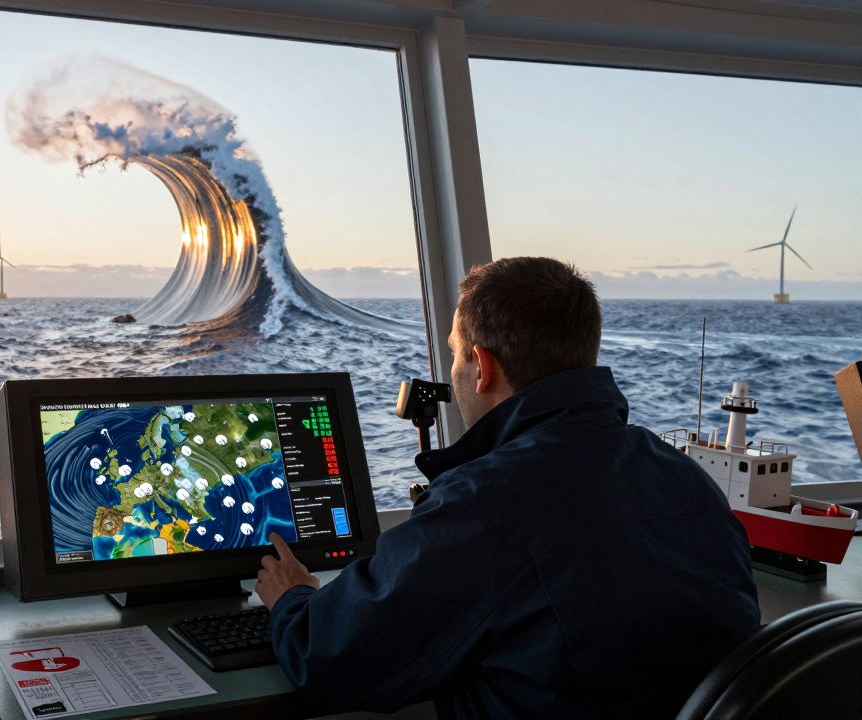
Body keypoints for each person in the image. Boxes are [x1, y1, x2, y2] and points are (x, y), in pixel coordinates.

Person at [255, 257, 760, 719]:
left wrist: (293, 599)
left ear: (482, 366)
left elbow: (329, 664)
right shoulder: (683, 474)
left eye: (455, 355)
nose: (453, 372)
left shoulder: (480, 504)